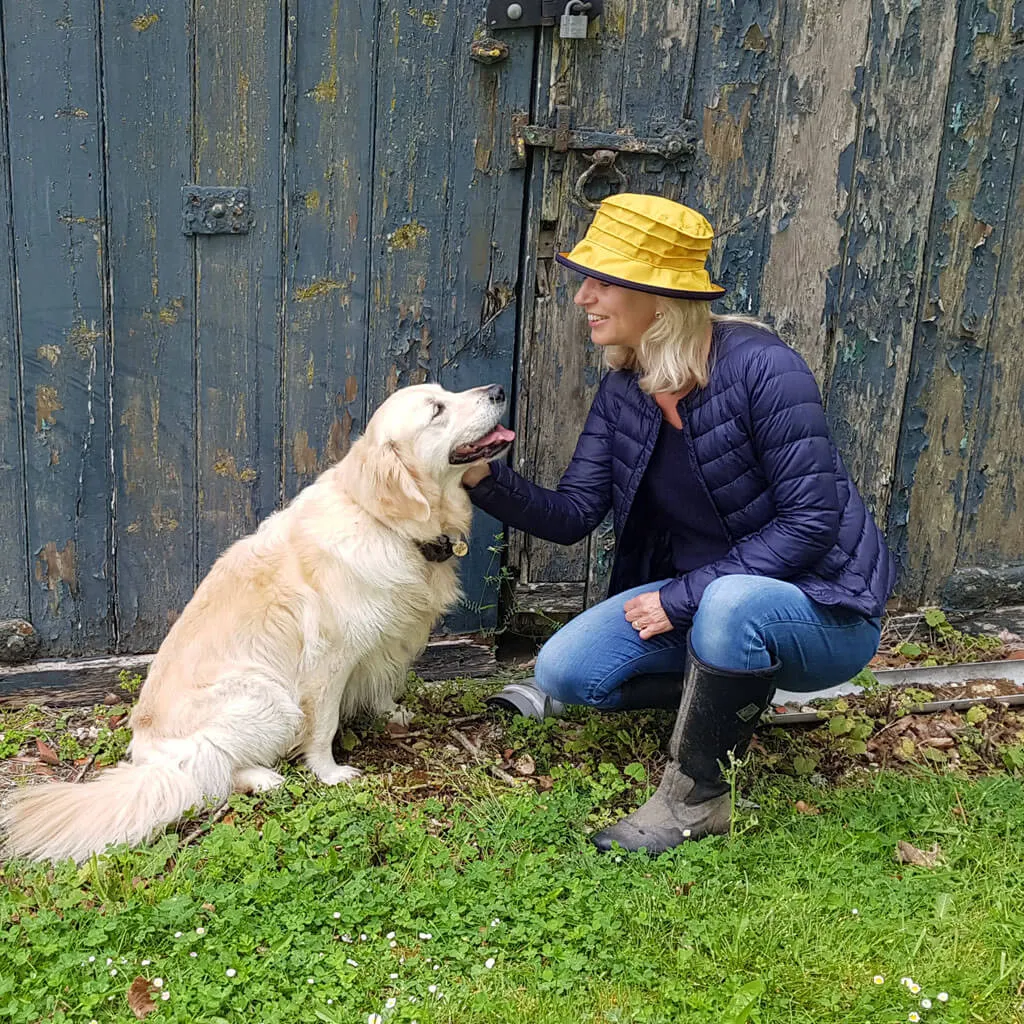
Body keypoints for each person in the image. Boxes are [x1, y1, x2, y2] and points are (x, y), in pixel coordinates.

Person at [461, 193, 897, 855]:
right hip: (707, 606)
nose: (584, 297)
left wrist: (680, 598)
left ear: (659, 296)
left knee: (729, 601)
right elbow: (575, 515)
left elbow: (811, 522)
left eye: (604, 282)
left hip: (824, 608)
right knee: (565, 671)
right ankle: (729, 699)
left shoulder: (763, 370)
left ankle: (697, 798)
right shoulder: (625, 392)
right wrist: (481, 478)